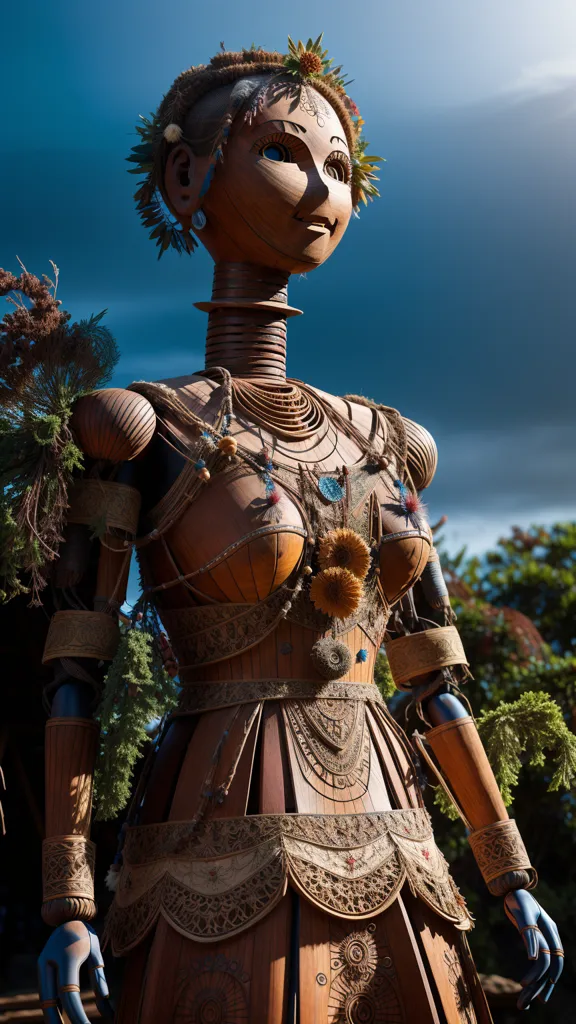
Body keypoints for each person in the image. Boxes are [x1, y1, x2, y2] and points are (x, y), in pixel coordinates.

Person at [32, 38, 563, 1023]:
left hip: (401, 841)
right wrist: (68, 902)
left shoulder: (391, 441)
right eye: (285, 151)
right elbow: (76, 675)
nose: (320, 189)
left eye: (340, 168)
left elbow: (434, 683)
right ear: (187, 177)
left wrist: (509, 874)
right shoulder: (141, 427)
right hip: (217, 842)